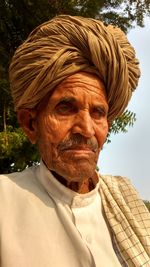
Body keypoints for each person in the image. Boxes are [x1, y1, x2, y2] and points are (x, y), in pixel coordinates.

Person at [0, 15, 150, 267]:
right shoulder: (4, 200)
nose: (87, 129)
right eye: (66, 108)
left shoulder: (125, 197)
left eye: (98, 113)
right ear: (30, 124)